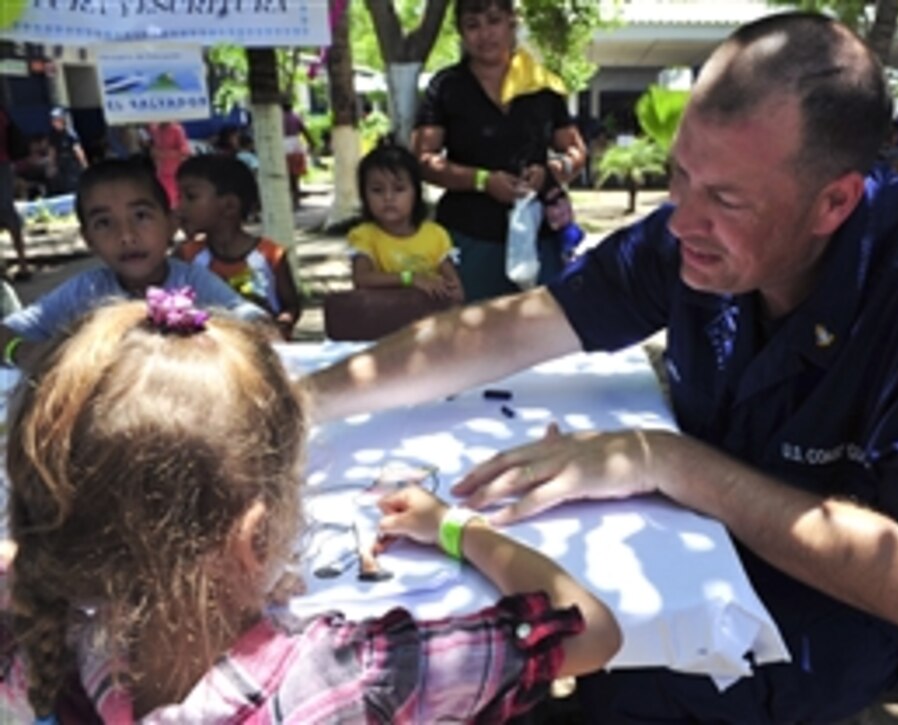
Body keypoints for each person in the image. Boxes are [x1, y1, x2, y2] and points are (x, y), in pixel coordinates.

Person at [304, 12, 898, 722]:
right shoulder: (691, 236)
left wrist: (662, 460)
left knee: (593, 674)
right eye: (679, 178)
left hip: (865, 602)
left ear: (835, 202)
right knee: (506, 622)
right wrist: (301, 401)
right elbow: (513, 327)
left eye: (726, 198)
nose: (685, 221)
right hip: (720, 537)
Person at [0, 294, 621, 722]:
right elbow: (589, 629)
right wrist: (458, 528)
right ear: (257, 532)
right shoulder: (357, 675)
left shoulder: (50, 649)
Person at [0, 158, 268, 369]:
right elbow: (6, 333)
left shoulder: (194, 282)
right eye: (104, 223)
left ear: (171, 224)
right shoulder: (85, 292)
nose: (126, 236)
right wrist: (23, 353)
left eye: (141, 216)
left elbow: (255, 323)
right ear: (88, 240)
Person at [412, 0, 587, 302]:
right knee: (470, 334)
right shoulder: (447, 87)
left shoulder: (542, 85)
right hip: (469, 236)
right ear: (462, 33)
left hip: (539, 235)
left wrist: (555, 171)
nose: (485, 34)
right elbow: (422, 159)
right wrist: (480, 180)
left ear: (511, 22)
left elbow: (575, 149)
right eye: (473, 25)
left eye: (494, 21)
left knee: (541, 333)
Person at [174, 154, 301, 338]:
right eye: (180, 197)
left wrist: (281, 325)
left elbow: (291, 305)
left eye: (190, 197)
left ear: (229, 206)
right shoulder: (185, 256)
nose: (180, 207)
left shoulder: (270, 254)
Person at [349, 140, 463, 306]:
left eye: (399, 189)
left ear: (416, 193)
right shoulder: (364, 236)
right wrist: (410, 279)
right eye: (377, 190)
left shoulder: (436, 236)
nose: (388, 198)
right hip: (382, 325)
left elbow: (456, 291)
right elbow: (362, 278)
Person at [0, 104, 31, 280]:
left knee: (7, 212)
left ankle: (21, 265)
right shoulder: (3, 112)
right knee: (8, 212)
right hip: (4, 165)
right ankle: (22, 263)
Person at [147, 120, 192, 208]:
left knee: (173, 200)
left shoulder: (176, 129)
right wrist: (153, 152)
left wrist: (165, 154)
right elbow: (153, 147)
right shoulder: (154, 129)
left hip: (174, 172)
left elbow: (185, 152)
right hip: (160, 172)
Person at [44, 107, 88, 195]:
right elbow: (52, 151)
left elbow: (78, 150)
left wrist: (84, 165)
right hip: (61, 164)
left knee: (73, 186)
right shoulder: (53, 135)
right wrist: (51, 165)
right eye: (53, 120)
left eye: (57, 120)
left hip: (72, 164)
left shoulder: (70, 134)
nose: (55, 123)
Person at [282, 99, 316, 209]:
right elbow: (305, 131)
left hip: (283, 146)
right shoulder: (296, 118)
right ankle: (296, 201)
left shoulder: (279, 118)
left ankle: (290, 200)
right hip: (295, 146)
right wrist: (312, 143)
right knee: (295, 177)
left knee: (286, 176)